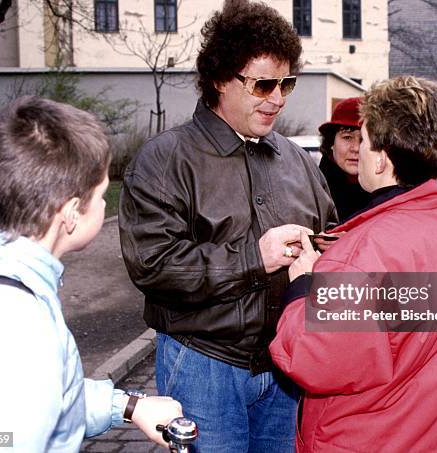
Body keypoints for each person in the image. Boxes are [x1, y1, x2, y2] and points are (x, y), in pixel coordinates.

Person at [118, 1, 336, 451]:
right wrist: (255, 258)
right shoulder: (165, 158)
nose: (277, 98)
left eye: (286, 83)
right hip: (204, 367)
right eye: (263, 84)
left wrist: (331, 251)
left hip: (283, 367)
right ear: (219, 79)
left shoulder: (296, 158)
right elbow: (153, 266)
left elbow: (328, 233)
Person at [269, 76, 437, 452]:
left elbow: (312, 359)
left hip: (368, 439)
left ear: (380, 157)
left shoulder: (366, 253)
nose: (357, 150)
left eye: (363, 138)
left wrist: (304, 286)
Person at [0, 97, 183, 452]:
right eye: (101, 194)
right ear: (71, 213)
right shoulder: (14, 329)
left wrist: (129, 407)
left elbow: (25, 394)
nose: (105, 204)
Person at [318, 97, 370, 221]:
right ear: (331, 142)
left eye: (363, 139)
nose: (356, 148)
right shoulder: (313, 190)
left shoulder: (386, 192)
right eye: (347, 137)